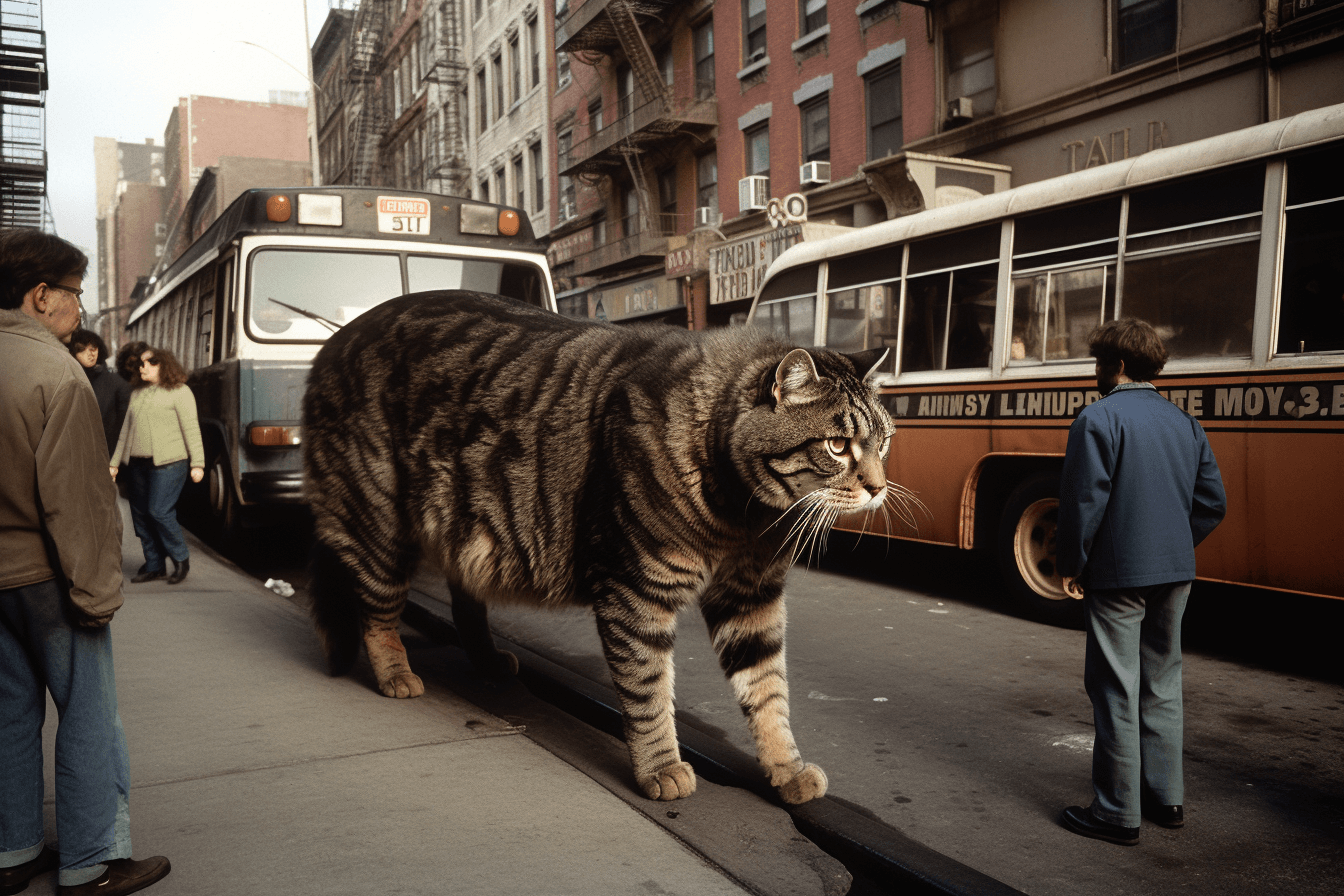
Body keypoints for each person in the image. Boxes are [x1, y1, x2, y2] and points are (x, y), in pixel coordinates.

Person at [0, 228, 171, 895]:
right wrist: (97, 595)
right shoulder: (56, 376)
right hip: (48, 577)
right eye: (74, 294)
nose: (81, 308)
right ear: (41, 296)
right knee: (89, 712)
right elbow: (78, 505)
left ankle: (12, 851)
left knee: (10, 713)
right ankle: (91, 860)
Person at [1056, 318, 1227, 846]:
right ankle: (1166, 797)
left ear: (1119, 366)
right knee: (1163, 682)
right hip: (1175, 572)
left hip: (1117, 575)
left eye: (1100, 362)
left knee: (1114, 689)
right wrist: (1173, 546)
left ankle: (1116, 813)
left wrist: (1072, 564)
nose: (1096, 372)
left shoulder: (1097, 419)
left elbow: (1085, 503)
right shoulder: (1185, 424)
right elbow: (1212, 504)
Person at [110, 347, 205, 586]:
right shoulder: (137, 394)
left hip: (170, 463)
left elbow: (192, 429)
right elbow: (125, 432)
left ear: (164, 365)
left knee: (159, 511)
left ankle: (180, 557)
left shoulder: (180, 392)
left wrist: (198, 463)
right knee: (140, 516)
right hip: (138, 465)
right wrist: (114, 464)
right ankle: (154, 565)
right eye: (141, 363)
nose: (143, 367)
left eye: (150, 362)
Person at [69, 328, 133, 456]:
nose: (90, 354)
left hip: (108, 455)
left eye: (93, 348)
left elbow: (124, 428)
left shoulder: (116, 383)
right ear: (73, 353)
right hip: (77, 455)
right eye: (82, 349)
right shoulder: (68, 382)